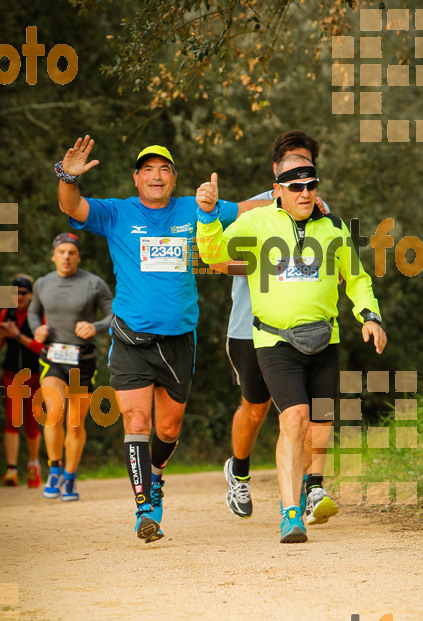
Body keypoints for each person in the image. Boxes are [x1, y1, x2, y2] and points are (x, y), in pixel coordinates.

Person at [56, 136, 268, 543]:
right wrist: (67, 176)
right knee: (136, 421)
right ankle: (145, 508)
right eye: (148, 169)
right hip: (131, 336)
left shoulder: (194, 207)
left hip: (178, 339)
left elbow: (244, 210)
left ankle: (156, 479)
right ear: (137, 179)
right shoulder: (117, 213)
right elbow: (71, 206)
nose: (157, 175)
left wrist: (289, 201)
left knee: (168, 429)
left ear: (174, 179)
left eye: (165, 169)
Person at [196, 155, 387, 543]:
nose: (305, 193)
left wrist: (370, 315)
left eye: (311, 185)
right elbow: (214, 255)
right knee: (294, 418)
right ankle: (290, 514)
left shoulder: (333, 227)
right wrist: (208, 217)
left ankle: (313, 486)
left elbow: (356, 278)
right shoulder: (256, 221)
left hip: (325, 337)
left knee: (320, 422)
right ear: (278, 190)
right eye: (296, 187)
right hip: (274, 340)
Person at [224, 130, 330, 520]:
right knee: (255, 409)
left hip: (304, 329)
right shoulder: (250, 209)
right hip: (248, 326)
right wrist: (265, 264)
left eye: (307, 166)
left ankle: (309, 490)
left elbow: (337, 264)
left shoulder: (319, 207)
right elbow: (218, 257)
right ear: (277, 170)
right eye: (291, 165)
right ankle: (239, 470)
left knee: (300, 413)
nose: (300, 176)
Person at [28, 232, 113, 502]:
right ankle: (54, 469)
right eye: (61, 252)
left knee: (75, 424)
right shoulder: (42, 284)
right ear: (53, 256)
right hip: (52, 358)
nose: (66, 256)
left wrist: (96, 327)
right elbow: (32, 312)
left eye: (71, 252)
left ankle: (71, 476)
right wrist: (36, 330)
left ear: (78, 256)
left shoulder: (93, 283)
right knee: (53, 412)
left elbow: (114, 315)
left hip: (82, 361)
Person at [0, 275, 45, 487]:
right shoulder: (4, 313)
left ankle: (33, 465)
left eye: (23, 293)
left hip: (34, 376)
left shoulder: (38, 316)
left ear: (31, 295)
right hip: (11, 376)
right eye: (15, 293)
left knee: (31, 422)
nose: (19, 297)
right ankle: (11, 470)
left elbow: (41, 348)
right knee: (12, 420)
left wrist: (16, 335)